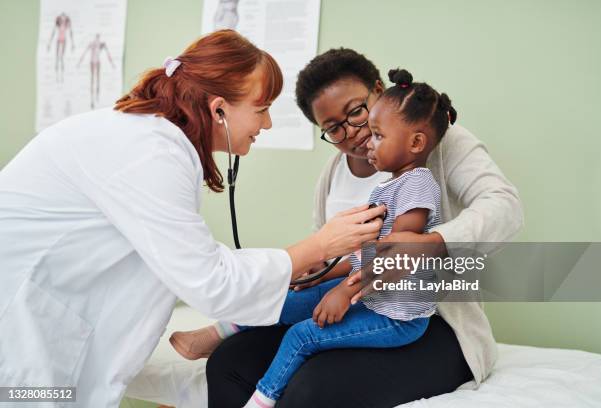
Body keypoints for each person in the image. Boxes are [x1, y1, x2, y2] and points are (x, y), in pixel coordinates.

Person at [0, 32, 385, 407]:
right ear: (219, 109)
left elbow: (185, 260)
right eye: (262, 109)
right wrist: (316, 250)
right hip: (24, 325)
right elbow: (209, 277)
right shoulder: (149, 153)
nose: (266, 125)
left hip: (393, 305)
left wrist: (311, 261)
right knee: (236, 366)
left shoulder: (154, 142)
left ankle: (218, 332)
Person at [206, 48, 524, 407]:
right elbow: (338, 252)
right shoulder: (332, 174)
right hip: (358, 302)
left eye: (356, 112)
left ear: (378, 91)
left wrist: (434, 243)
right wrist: (317, 272)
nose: (353, 134)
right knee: (228, 362)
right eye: (333, 128)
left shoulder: (439, 141)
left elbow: (505, 206)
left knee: (313, 387)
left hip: (426, 319)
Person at [172, 68, 456, 408]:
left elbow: (393, 255)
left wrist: (342, 291)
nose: (366, 140)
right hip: (371, 296)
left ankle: (261, 401)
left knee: (301, 335)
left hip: (397, 318)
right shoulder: (389, 184)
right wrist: (319, 272)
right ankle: (222, 329)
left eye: (377, 134)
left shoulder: (418, 183)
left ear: (415, 142)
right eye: (333, 128)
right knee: (288, 298)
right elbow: (363, 253)